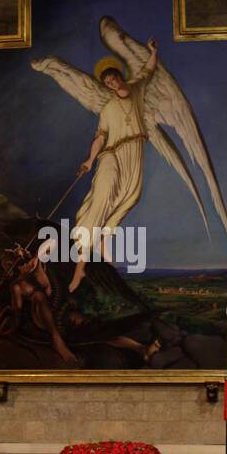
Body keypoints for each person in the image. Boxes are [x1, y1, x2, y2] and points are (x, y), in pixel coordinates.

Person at [68, 39, 159, 292]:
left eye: (112, 78)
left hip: (134, 152)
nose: (111, 83)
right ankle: (80, 268)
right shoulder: (107, 109)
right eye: (106, 82)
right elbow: (100, 136)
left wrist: (153, 52)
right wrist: (89, 159)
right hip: (110, 154)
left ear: (119, 75)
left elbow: (149, 69)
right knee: (102, 199)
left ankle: (103, 249)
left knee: (129, 196)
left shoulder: (137, 87)